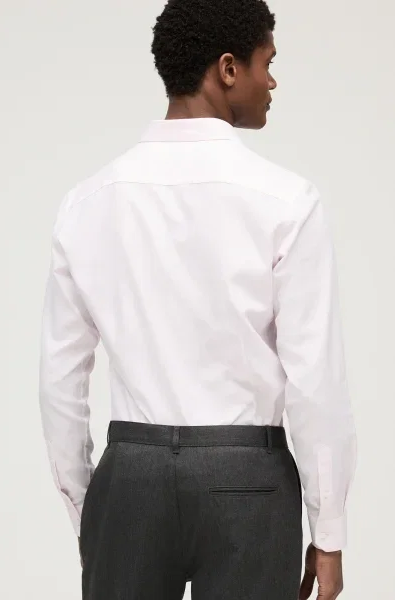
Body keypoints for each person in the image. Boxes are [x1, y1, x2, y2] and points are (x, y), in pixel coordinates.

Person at [38, 0, 357, 598]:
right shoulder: (286, 201)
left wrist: (92, 507)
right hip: (249, 481)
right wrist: (330, 531)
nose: (272, 82)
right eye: (267, 63)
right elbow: (315, 380)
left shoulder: (89, 201)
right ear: (228, 69)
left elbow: (60, 378)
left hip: (130, 478)